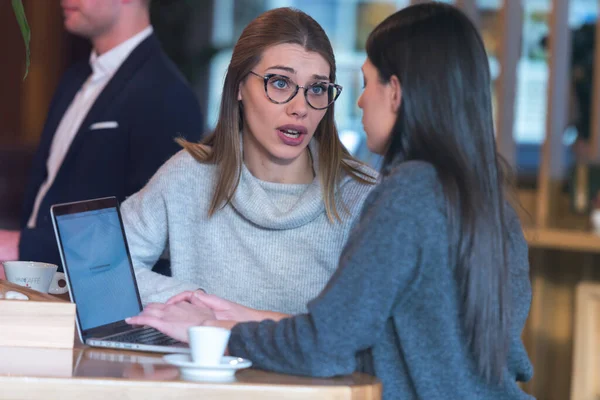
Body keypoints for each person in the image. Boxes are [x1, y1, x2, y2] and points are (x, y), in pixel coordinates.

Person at [128, 3, 534, 399]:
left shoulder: (402, 196)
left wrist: (214, 329)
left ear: (394, 92)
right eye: (280, 83)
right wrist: (225, 310)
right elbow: (378, 339)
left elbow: (328, 343)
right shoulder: (488, 205)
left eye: (364, 83)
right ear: (238, 87)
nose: (357, 101)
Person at [119, 7, 378, 312]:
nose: (300, 108)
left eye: (317, 88)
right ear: (240, 86)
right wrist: (196, 302)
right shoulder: (189, 175)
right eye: (280, 82)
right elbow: (103, 265)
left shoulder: (364, 194)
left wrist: (226, 318)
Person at [0, 0, 203, 268]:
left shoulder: (167, 94)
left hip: (93, 294)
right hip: (32, 280)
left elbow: (150, 233)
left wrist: (24, 246)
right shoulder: (74, 78)